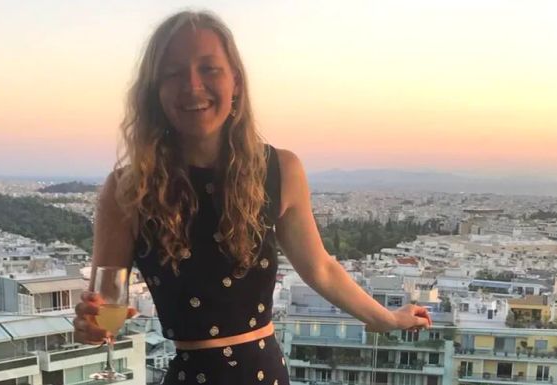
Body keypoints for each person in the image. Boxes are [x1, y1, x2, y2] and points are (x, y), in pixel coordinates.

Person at [74, 10, 432, 385]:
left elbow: (320, 268)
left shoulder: (280, 170)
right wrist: (91, 324)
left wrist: (387, 319)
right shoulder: (128, 189)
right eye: (173, 72)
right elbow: (103, 296)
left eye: (209, 69)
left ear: (237, 83)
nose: (192, 85)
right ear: (155, 91)